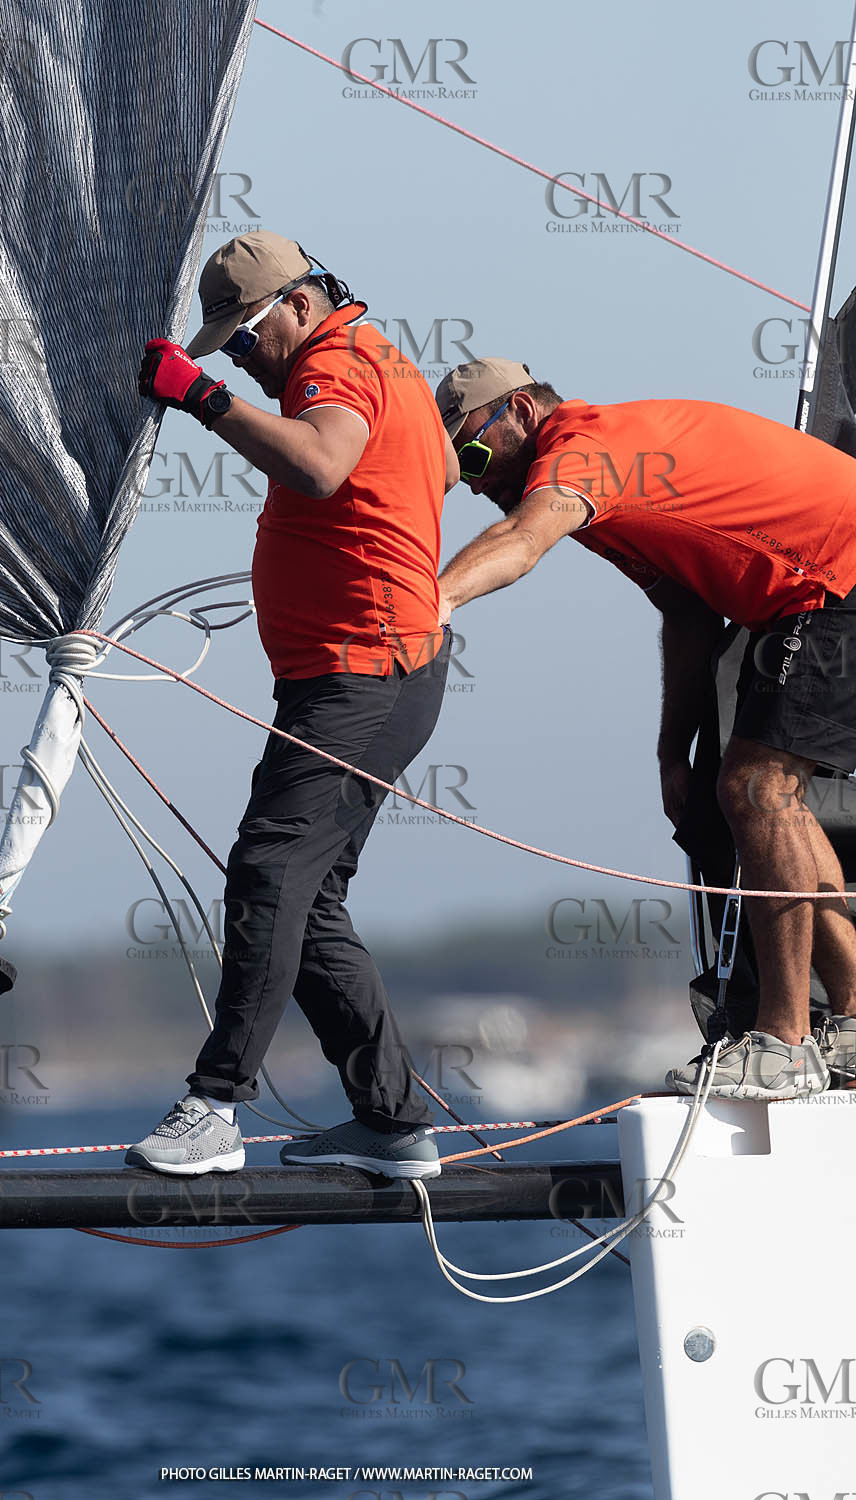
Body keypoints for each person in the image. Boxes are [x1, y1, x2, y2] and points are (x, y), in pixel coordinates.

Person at [433, 356, 856, 1100]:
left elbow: (523, 543)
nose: (470, 482)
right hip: (807, 598)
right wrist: (674, 748)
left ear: (524, 414)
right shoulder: (606, 480)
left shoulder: (582, 454)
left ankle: (784, 1045)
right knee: (760, 796)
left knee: (758, 790)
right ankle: (851, 1015)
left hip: (834, 580)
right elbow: (690, 612)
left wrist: (424, 605)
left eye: (471, 453)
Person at [127, 231, 458, 1176]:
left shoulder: (333, 363)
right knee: (308, 905)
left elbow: (320, 464)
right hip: (373, 673)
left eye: (245, 338)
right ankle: (392, 1123)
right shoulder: (380, 354)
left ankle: (215, 1105)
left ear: (301, 308)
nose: (241, 358)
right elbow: (434, 470)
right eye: (225, 349)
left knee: (269, 872)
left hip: (362, 676)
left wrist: (201, 395)